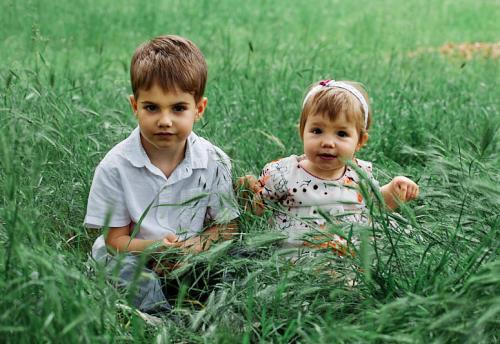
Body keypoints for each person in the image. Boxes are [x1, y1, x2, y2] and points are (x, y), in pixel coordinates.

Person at [84, 35, 239, 314]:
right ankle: (158, 319)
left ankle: (219, 315)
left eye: (178, 108)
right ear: (135, 106)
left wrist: (192, 249)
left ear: (199, 109)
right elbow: (115, 240)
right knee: (121, 270)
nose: (164, 120)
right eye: (151, 107)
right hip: (133, 254)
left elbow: (226, 228)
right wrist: (154, 249)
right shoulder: (115, 166)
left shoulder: (213, 160)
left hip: (191, 255)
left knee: (239, 261)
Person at [240, 79, 419, 251]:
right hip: (298, 256)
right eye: (317, 131)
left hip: (349, 254)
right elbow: (256, 208)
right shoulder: (286, 173)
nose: (327, 142)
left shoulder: (359, 174)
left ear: (360, 141)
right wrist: (247, 192)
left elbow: (374, 205)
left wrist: (394, 191)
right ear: (303, 132)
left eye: (341, 133)